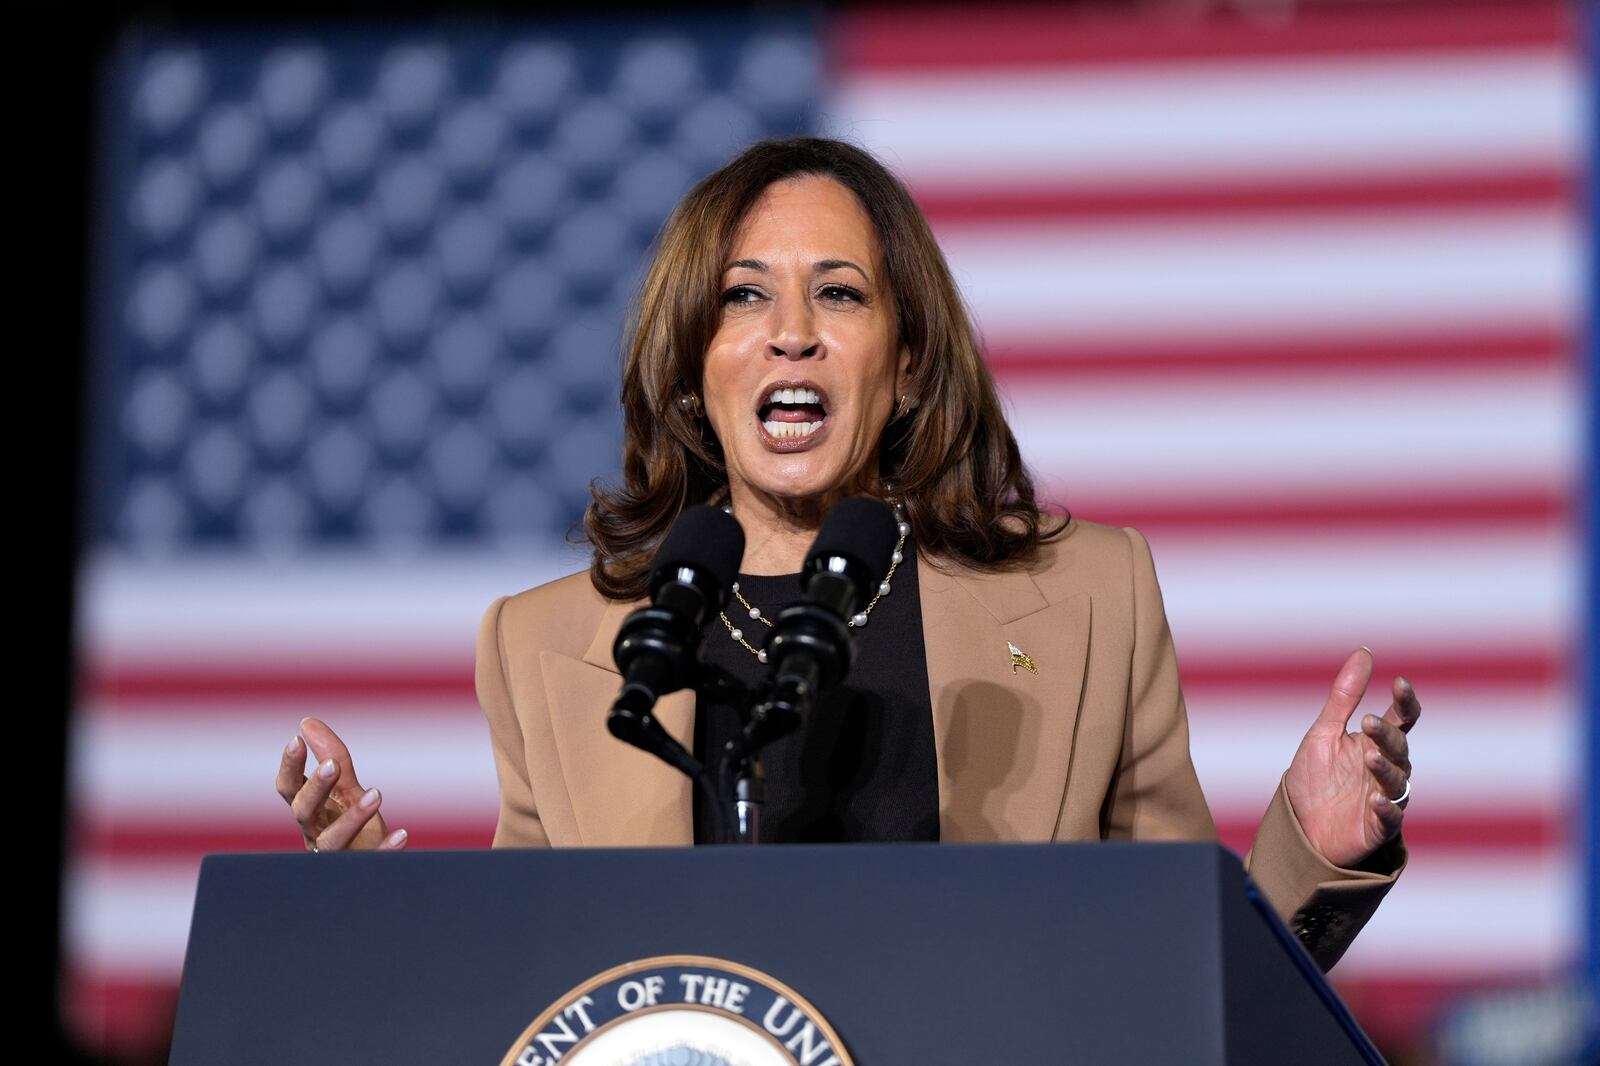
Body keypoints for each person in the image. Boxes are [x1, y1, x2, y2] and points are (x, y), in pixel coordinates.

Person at [275, 137, 1419, 971]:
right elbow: (548, 1005)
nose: (792, 330)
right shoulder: (549, 645)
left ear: (908, 362)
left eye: (839, 292)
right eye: (741, 297)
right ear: (689, 368)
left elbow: (1183, 977)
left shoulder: (1086, 599)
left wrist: (1310, 851)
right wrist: (392, 920)